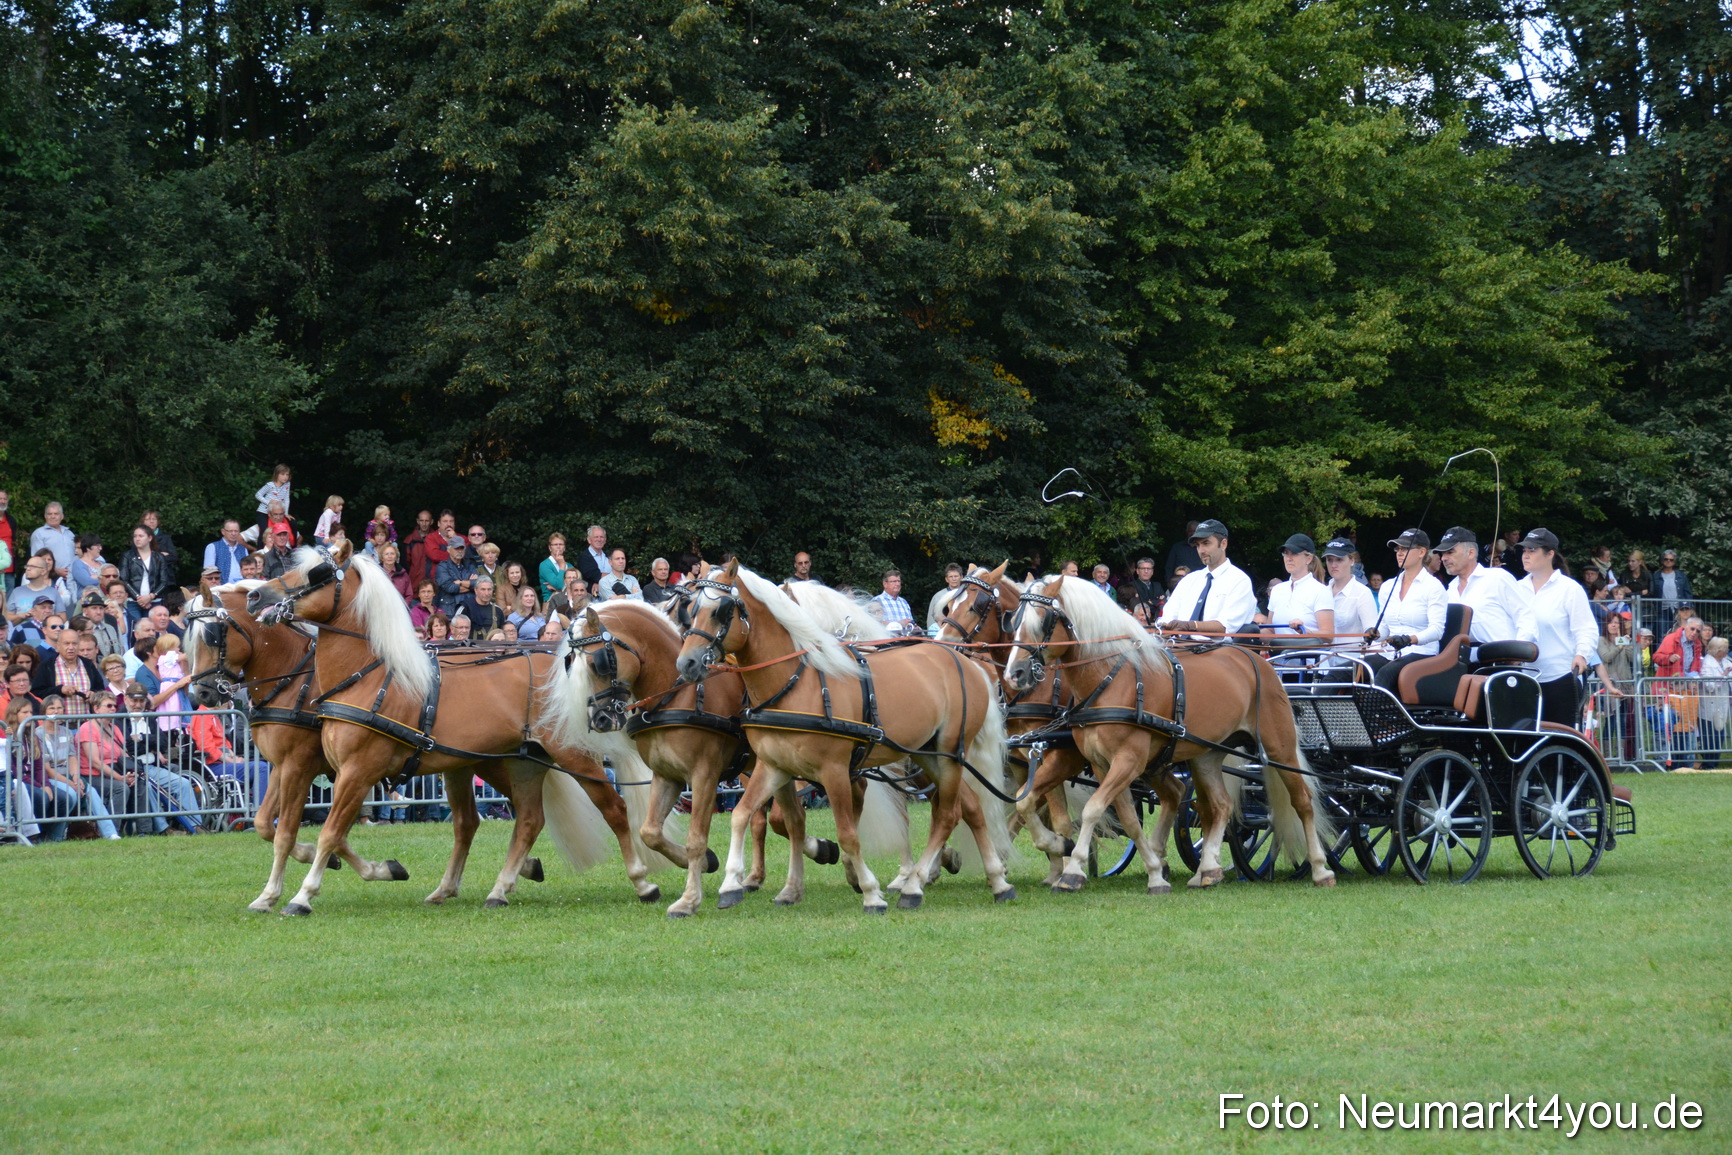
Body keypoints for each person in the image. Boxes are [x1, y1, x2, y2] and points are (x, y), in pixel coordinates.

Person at [1514, 528, 1621, 727]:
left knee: (1561, 738)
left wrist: (1582, 655)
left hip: (1561, 676)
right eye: (1524, 550)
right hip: (1524, 677)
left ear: (1550, 554)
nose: (1525, 555)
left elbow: (1586, 629)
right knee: (1525, 739)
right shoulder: (1517, 589)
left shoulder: (1569, 588)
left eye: (1532, 550)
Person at [1366, 529, 1449, 690]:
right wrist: (1375, 633)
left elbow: (1437, 631)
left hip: (1422, 653)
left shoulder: (1434, 587)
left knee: (1385, 674)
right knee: (1354, 668)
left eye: (1405, 549)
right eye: (1398, 549)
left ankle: (1372, 708)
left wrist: (1409, 639)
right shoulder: (1388, 586)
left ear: (1422, 552)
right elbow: (1384, 628)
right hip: (1390, 653)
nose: (1399, 553)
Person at [118, 683, 201, 833]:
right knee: (147, 788)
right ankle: (164, 829)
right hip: (134, 769)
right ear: (125, 699)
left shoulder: (149, 717)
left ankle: (195, 826)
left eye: (141, 701)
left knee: (183, 783)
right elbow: (129, 747)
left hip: (152, 767)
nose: (138, 705)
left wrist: (141, 737)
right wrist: (150, 743)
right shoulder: (119, 719)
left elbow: (163, 743)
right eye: (134, 700)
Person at [1156, 519, 1256, 640]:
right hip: (1178, 645)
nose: (1201, 550)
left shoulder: (1239, 581)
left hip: (1218, 648)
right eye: (1198, 545)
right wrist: (1165, 626)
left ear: (1223, 544)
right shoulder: (1189, 580)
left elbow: (1225, 627)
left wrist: (1190, 626)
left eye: (1206, 543)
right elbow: (1168, 616)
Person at [1433, 526, 1534, 645]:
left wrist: (1518, 650)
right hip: (1462, 655)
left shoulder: (1497, 578)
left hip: (1500, 653)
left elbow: (1525, 617)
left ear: (1471, 553)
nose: (1443, 558)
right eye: (1442, 554)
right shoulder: (1450, 590)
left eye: (1450, 552)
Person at [8, 696, 84, 841]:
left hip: (36, 780)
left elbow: (39, 767)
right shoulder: (9, 737)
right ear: (14, 714)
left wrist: (46, 785)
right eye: (24, 712)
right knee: (41, 797)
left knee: (65, 798)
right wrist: (40, 787)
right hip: (20, 781)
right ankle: (35, 836)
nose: (29, 716)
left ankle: (53, 836)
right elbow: (15, 771)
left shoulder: (32, 736)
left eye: (31, 712)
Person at [76, 691, 147, 836]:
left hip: (114, 770)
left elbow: (124, 754)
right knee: (120, 788)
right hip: (92, 775)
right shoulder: (87, 728)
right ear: (96, 709)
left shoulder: (114, 728)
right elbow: (95, 762)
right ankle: (112, 832)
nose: (113, 708)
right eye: (108, 706)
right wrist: (120, 778)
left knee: (139, 782)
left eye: (115, 706)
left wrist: (131, 773)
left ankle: (144, 831)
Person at [1264, 535, 1334, 655]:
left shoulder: (1321, 591)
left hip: (1310, 663)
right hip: (1279, 662)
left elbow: (1329, 635)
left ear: (1308, 559)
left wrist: (1306, 632)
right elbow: (1270, 630)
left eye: (1294, 554)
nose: (1288, 558)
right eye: (1286, 553)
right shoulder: (1277, 590)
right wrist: (1251, 631)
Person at [1321, 537, 1376, 673]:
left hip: (1351, 667)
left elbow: (1371, 632)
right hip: (1322, 666)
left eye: (1339, 560)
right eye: (1329, 560)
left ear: (1352, 561)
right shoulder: (1321, 592)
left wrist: (1371, 633)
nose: (1333, 565)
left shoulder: (1362, 593)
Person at [1598, 615, 1641, 761]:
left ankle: (1621, 756)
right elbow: (1606, 657)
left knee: (1622, 720)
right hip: (1609, 686)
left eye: (1616, 623)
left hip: (1624, 685)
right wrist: (1619, 646)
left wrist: (1626, 643)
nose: (1613, 625)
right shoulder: (1601, 640)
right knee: (1610, 721)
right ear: (1606, 625)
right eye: (1610, 622)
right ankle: (1607, 755)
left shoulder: (1623, 640)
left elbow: (1632, 658)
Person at [119, 523, 173, 631]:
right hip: (133, 601)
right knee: (136, 630)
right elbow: (124, 579)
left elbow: (164, 581)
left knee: (154, 630)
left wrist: (151, 596)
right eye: (135, 536)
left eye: (141, 536)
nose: (137, 539)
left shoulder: (159, 557)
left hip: (154, 601)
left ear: (149, 538)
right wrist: (139, 598)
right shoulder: (127, 556)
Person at [32, 624, 100, 699]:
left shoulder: (88, 664)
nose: (71, 647)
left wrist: (94, 694)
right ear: (58, 646)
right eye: (66, 644)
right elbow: (36, 693)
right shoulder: (47, 666)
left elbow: (101, 690)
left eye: (74, 643)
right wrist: (60, 690)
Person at [6, 553, 64, 622]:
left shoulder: (53, 592)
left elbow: (62, 618)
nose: (28, 569)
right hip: (22, 628)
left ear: (43, 571)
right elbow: (7, 619)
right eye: (27, 566)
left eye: (32, 566)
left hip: (46, 628)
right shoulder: (17, 592)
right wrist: (22, 616)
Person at [29, 501, 75, 580]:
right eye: (49, 514)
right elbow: (37, 559)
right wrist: (56, 571)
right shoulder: (39, 533)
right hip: (51, 577)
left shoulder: (69, 533)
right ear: (45, 516)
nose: (52, 516)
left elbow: (78, 554)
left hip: (72, 577)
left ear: (62, 516)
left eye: (56, 514)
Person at [435, 538, 479, 614]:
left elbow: (478, 584)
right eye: (456, 548)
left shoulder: (469, 565)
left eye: (462, 548)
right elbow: (450, 587)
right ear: (449, 550)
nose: (460, 551)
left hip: (471, 607)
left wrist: (460, 582)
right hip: (450, 609)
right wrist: (470, 584)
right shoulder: (442, 567)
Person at [1647, 549, 1692, 620]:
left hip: (1679, 609)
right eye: (1666, 559)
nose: (1668, 561)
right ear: (1662, 560)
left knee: (1678, 627)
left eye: (1671, 560)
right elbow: (1652, 593)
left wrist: (1688, 607)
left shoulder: (1681, 576)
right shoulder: (1656, 576)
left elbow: (1687, 593)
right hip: (1662, 610)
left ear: (1674, 562)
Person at [871, 569, 917, 636]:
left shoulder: (904, 602)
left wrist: (914, 627)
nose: (897, 584)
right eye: (894, 581)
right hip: (886, 639)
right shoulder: (876, 601)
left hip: (907, 639)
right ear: (885, 584)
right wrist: (899, 624)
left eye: (899, 581)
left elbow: (910, 623)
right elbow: (874, 623)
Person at [253, 463, 293, 540]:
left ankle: (293, 545)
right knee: (264, 530)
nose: (285, 477)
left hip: (277, 513)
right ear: (277, 474)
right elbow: (258, 495)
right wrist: (268, 502)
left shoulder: (287, 484)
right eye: (282, 474)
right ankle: (261, 546)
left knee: (292, 523)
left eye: (287, 475)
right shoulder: (270, 485)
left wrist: (286, 513)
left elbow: (286, 499)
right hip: (263, 512)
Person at [926, 564, 965, 629]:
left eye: (956, 576)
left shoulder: (966, 595)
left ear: (961, 577)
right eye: (951, 576)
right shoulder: (939, 596)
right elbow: (931, 618)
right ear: (946, 579)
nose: (954, 579)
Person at [403, 509, 435, 584]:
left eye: (427, 521)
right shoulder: (409, 540)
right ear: (418, 521)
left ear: (431, 522)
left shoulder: (437, 539)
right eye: (421, 521)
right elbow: (405, 564)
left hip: (433, 583)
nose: (424, 524)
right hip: (415, 582)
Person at [70, 533, 106, 598]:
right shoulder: (78, 564)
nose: (100, 548)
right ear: (88, 548)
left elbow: (114, 579)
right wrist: (103, 579)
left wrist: (96, 577)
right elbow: (87, 582)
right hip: (87, 600)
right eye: (97, 546)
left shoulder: (102, 563)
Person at [539, 532, 571, 602]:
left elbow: (577, 585)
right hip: (551, 602)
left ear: (564, 548)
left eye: (561, 544)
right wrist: (562, 566)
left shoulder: (569, 566)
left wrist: (557, 589)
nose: (558, 546)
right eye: (555, 544)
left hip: (569, 601)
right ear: (550, 548)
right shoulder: (545, 565)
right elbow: (559, 585)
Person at [0, 489, 18, 595]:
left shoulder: (11, 520)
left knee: (9, 600)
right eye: (0, 499)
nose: (2, 501)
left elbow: (14, 542)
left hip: (9, 569)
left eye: (5, 499)